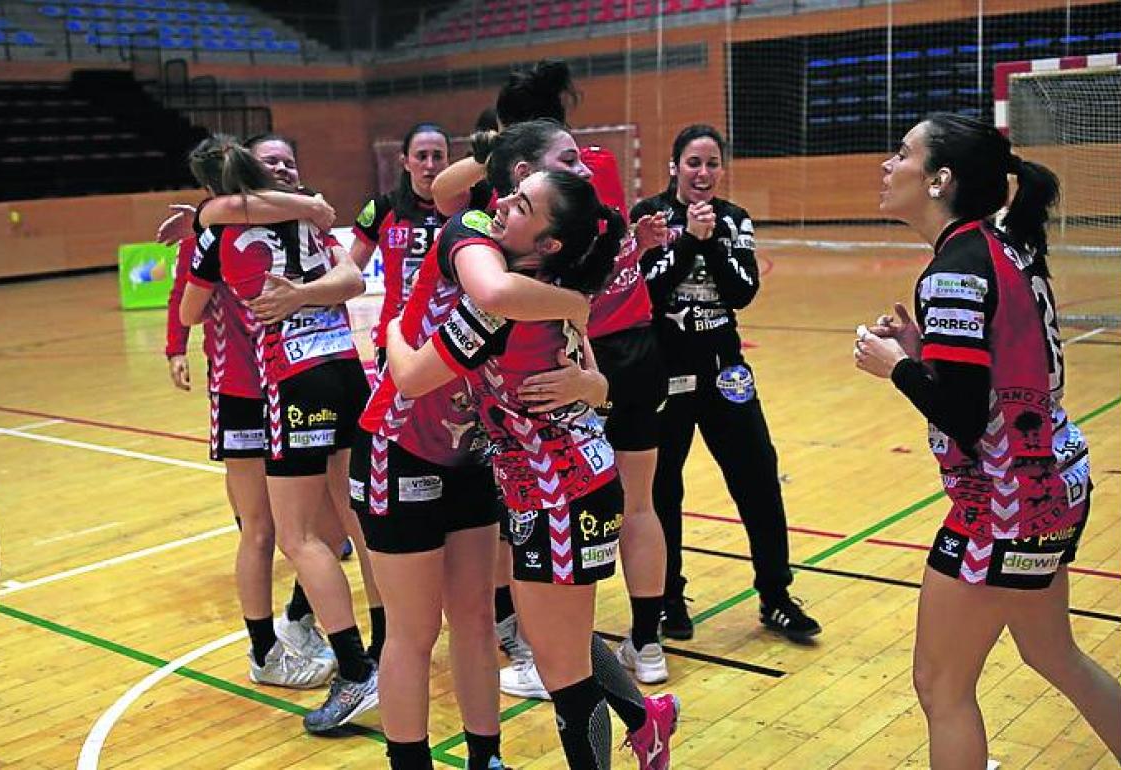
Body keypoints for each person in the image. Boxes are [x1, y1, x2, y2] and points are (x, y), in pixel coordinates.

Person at [386, 169, 679, 770]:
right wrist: (591, 381)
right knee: (559, 639)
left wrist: (390, 325)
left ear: (548, 244)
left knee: (562, 672)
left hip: (561, 494)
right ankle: (648, 718)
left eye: (520, 206)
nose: (502, 207)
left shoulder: (506, 307)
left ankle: (643, 733)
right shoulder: (550, 291)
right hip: (552, 486)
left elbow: (412, 377)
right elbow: (595, 376)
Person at [855, 112, 1121, 769]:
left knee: (941, 686)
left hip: (1004, 504)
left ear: (940, 179)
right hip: (1052, 482)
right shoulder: (999, 249)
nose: (888, 167)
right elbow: (1000, 373)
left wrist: (897, 368)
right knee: (1051, 652)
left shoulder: (954, 270)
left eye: (902, 155)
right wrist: (924, 351)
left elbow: (965, 414)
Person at [350, 141, 602, 769]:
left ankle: (485, 759)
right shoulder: (472, 230)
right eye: (556, 165)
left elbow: (591, 374)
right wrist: (392, 333)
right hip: (399, 446)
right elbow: (474, 292)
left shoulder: (536, 287)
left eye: (526, 203)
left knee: (475, 620)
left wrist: (591, 379)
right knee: (412, 629)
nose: (507, 208)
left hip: (471, 456)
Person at [188, 135, 378, 733]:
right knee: (354, 517)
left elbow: (192, 307)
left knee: (297, 538)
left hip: (295, 380)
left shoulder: (217, 229)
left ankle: (354, 671)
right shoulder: (312, 222)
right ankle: (388, 641)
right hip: (349, 369)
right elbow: (351, 276)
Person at [631, 124, 821, 644]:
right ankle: (667, 598)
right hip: (665, 371)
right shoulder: (647, 217)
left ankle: (775, 596)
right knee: (662, 485)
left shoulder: (736, 221)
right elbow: (646, 291)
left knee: (758, 474)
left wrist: (709, 240)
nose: (703, 173)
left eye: (712, 163)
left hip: (725, 368)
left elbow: (741, 292)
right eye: (693, 162)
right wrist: (687, 242)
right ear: (674, 167)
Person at [347, 122, 488, 371]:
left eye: (438, 156)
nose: (430, 165)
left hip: (459, 335)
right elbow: (349, 272)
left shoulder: (475, 202)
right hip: (398, 338)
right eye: (421, 156)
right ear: (405, 161)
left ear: (448, 161)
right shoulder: (382, 209)